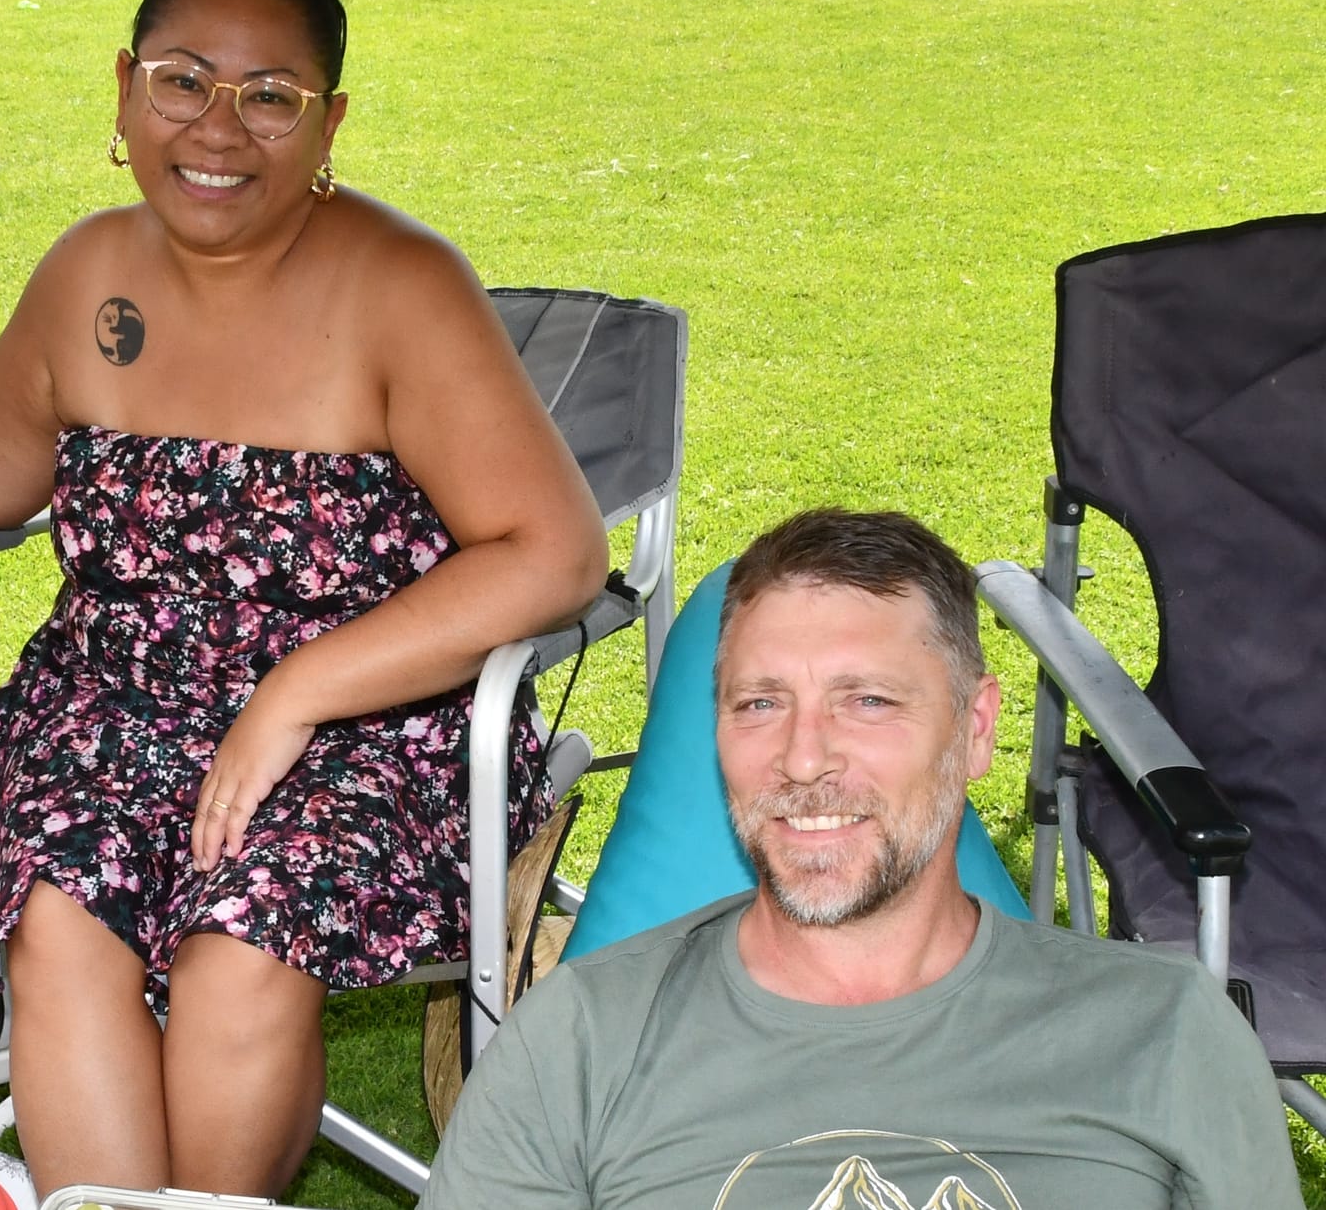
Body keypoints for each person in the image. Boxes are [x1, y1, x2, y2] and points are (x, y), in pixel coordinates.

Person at [0, 0, 606, 1198]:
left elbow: (551, 549)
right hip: (110, 707)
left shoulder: (402, 288)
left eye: (268, 97)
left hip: (370, 722)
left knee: (243, 944)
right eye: (182, 80)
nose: (216, 130)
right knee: (60, 913)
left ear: (327, 126)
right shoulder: (86, 273)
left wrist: (295, 693)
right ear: (124, 88)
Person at [420, 508, 1302, 1208]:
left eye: (868, 700)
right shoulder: (579, 1042)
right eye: (761, 703)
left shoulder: (1168, 1034)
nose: (804, 759)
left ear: (976, 727)